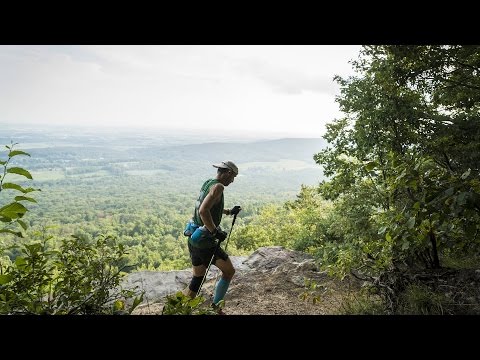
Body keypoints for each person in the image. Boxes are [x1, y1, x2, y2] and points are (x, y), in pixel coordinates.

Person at [184, 160, 242, 314]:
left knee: (198, 278)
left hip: (194, 238)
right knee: (229, 271)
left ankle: (179, 309)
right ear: (228, 173)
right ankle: (216, 308)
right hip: (205, 243)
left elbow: (209, 206)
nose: (233, 180)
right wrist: (215, 231)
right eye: (233, 177)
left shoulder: (209, 183)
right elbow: (204, 211)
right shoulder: (218, 187)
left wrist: (229, 211)